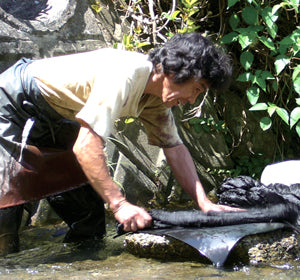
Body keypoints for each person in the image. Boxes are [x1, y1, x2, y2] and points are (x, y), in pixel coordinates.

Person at [0, 32, 237, 255]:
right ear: (177, 70)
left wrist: (204, 203)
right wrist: (120, 204)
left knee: (89, 218)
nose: (191, 100)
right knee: (5, 213)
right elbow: (85, 146)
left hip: (58, 117)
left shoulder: (156, 99)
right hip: (14, 101)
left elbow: (174, 148)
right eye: (196, 89)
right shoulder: (126, 73)